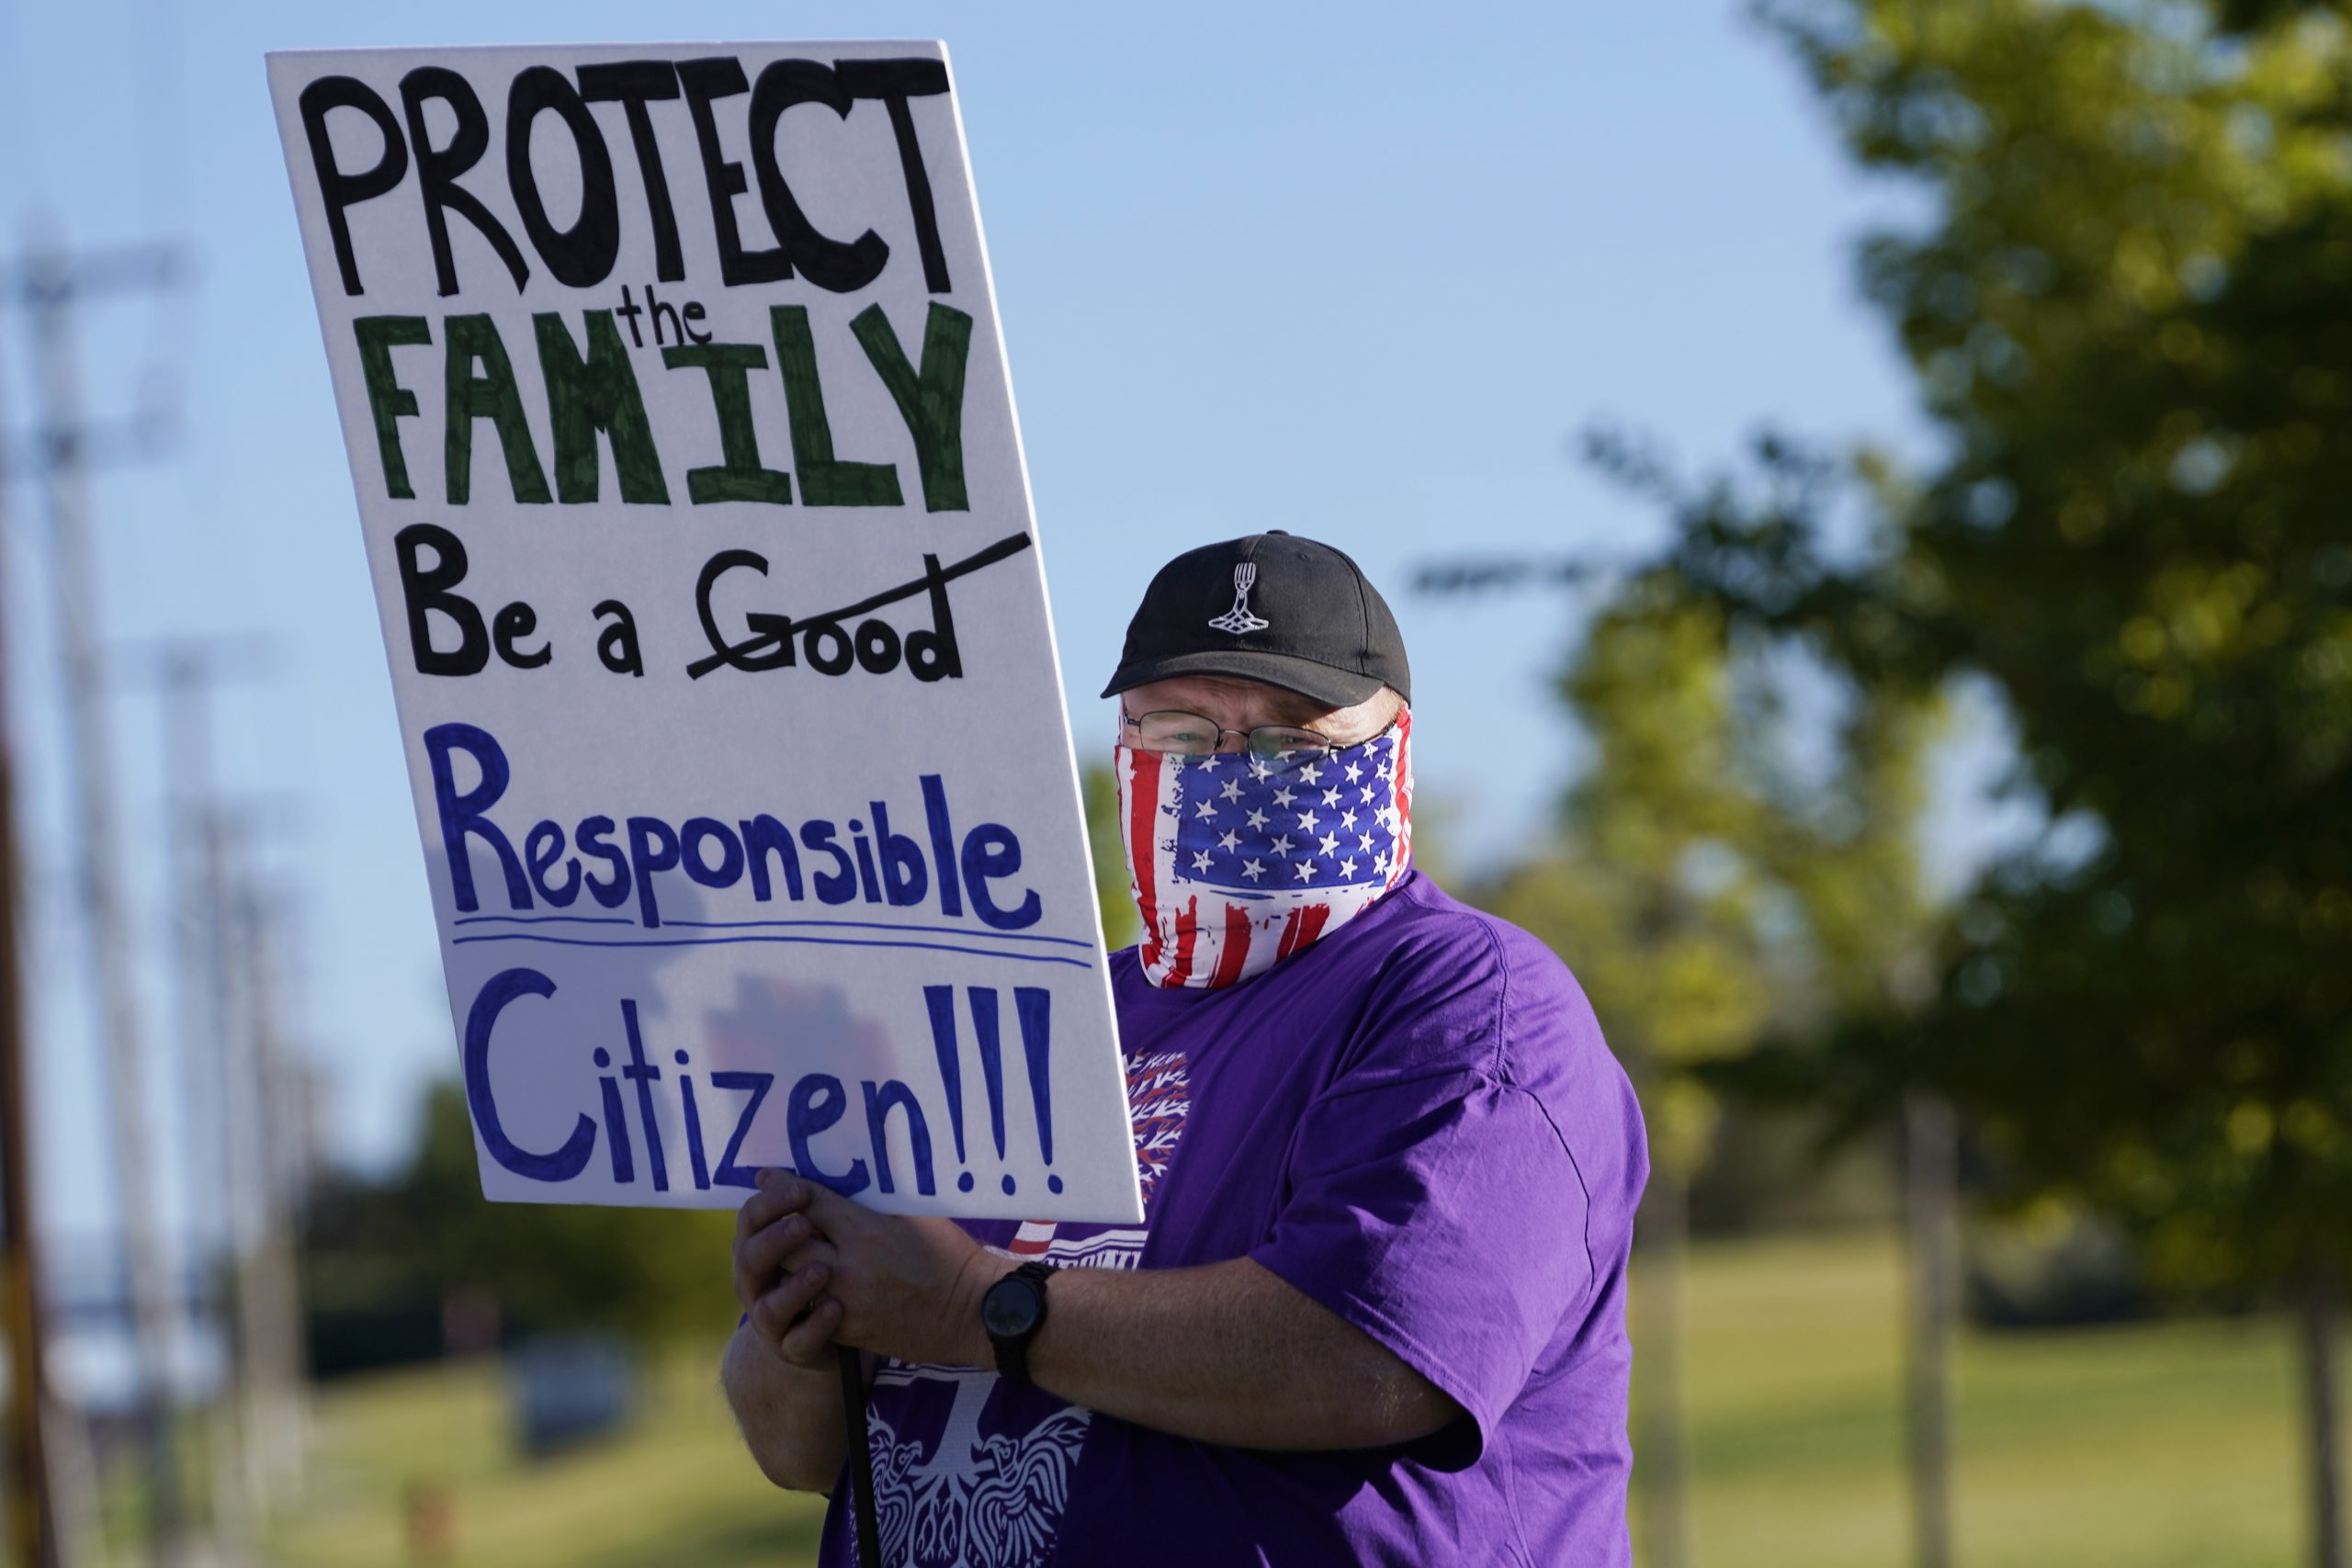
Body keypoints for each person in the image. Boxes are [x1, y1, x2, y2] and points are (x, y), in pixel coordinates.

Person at [722, 531, 1649, 1566]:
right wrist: (799, 1322)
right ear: (1121, 742)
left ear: (1394, 750)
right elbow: (798, 1447)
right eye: (1179, 732)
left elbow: (1368, 1357)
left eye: (1293, 741)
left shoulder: (1467, 1001)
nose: (1231, 776)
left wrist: (969, 1305)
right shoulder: (1019, 1015)